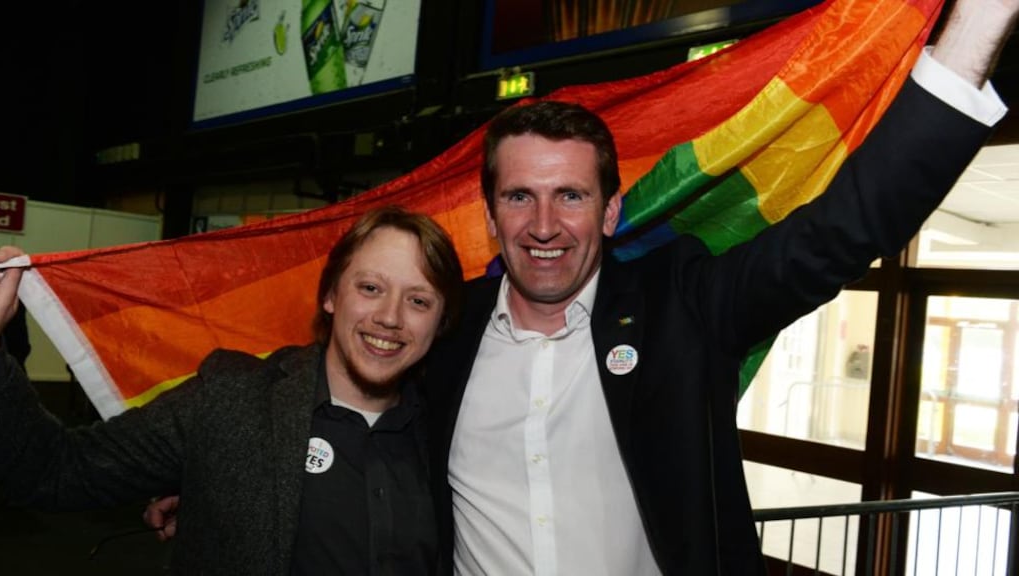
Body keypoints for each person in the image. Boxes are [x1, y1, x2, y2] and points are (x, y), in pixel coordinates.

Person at [420, 1, 1018, 574]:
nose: (544, 225)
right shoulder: (439, 333)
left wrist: (979, 22)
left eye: (571, 196)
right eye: (520, 196)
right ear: (491, 217)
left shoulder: (684, 305)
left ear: (609, 213)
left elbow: (839, 233)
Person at [0, 205, 464, 575]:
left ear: (440, 322)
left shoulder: (453, 432)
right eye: (370, 287)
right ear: (330, 295)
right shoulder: (232, 400)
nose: (390, 316)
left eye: (418, 300)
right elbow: (53, 470)